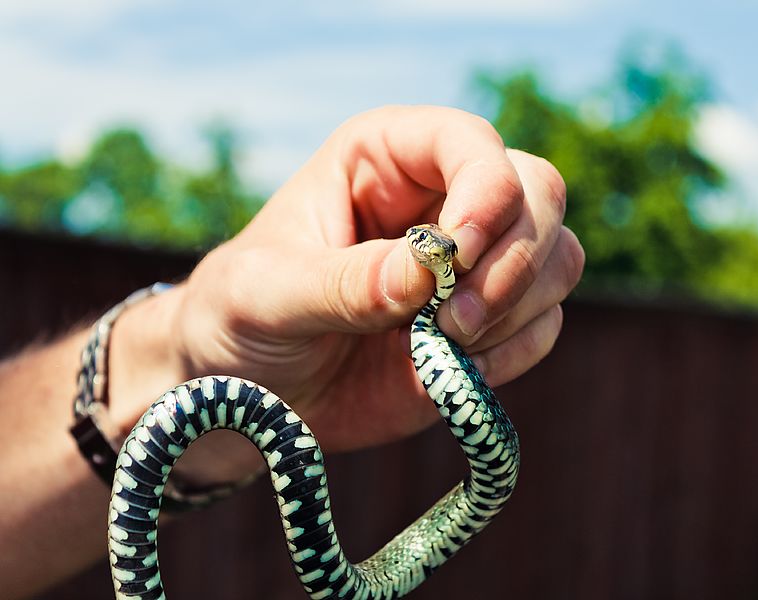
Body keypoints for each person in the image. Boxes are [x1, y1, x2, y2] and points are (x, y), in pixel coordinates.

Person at [0, 105, 583, 598]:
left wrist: (171, 358)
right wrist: (180, 352)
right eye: (416, 240)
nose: (420, 244)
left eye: (431, 242)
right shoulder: (411, 316)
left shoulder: (432, 326)